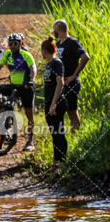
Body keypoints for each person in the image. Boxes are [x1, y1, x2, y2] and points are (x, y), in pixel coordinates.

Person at [0, 33, 37, 151]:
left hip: (25, 87)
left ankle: (30, 140)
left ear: (20, 44)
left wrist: (31, 80)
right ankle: (6, 121)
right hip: (13, 85)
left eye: (15, 43)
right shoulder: (7, 54)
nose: (13, 46)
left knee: (29, 114)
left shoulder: (26, 55)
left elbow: (33, 68)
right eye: (10, 44)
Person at [53, 19, 89, 132]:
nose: (53, 31)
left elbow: (85, 57)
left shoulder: (72, 42)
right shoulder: (57, 44)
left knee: (72, 111)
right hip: (60, 83)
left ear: (58, 29)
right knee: (60, 111)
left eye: (54, 29)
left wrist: (74, 75)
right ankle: (62, 136)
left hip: (71, 82)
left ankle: (76, 136)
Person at [41, 35, 68, 167]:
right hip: (49, 103)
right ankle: (56, 161)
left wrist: (53, 104)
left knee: (58, 132)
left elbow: (60, 83)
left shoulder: (57, 63)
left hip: (56, 103)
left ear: (45, 50)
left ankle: (62, 162)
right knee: (54, 133)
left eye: (42, 50)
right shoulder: (49, 64)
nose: (41, 53)